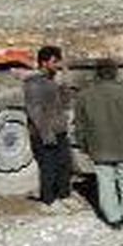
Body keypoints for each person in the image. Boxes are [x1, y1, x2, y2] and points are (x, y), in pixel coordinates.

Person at [73, 58, 123, 229]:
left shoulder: (84, 95)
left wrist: (84, 146)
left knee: (105, 182)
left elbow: (79, 125)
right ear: (115, 72)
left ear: (97, 73)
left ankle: (113, 219)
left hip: (99, 147)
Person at [23, 45, 72, 208]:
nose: (58, 65)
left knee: (64, 163)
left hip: (59, 129)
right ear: (44, 62)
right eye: (54, 61)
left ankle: (64, 195)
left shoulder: (52, 81)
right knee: (49, 167)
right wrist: (46, 133)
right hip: (44, 132)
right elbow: (35, 110)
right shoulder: (34, 83)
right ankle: (49, 200)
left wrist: (63, 86)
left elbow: (64, 103)